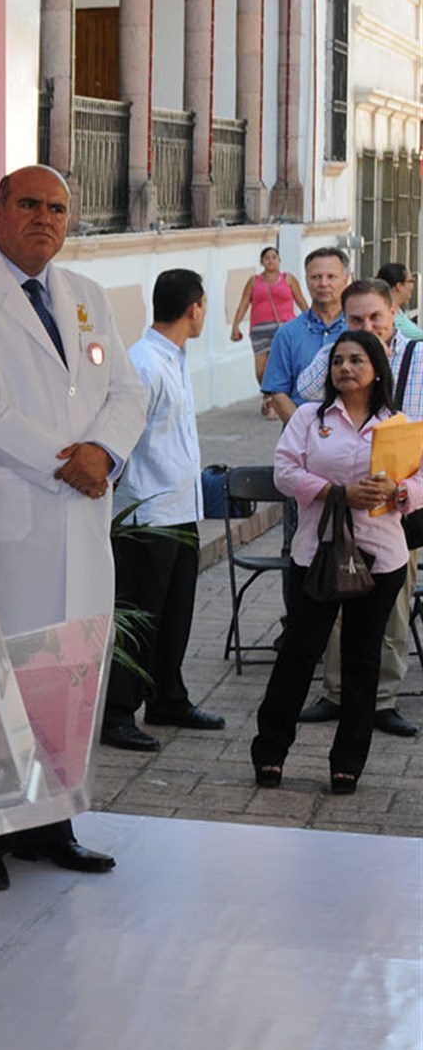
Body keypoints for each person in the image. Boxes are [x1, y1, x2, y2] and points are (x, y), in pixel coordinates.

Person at [0, 164, 145, 893]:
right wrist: (70, 461)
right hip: (11, 526)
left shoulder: (85, 297)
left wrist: (106, 452)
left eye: (58, 207)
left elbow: (128, 389)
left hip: (79, 521)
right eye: (29, 204)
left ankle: (52, 824)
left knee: (66, 680)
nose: (45, 218)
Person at [254, 329, 423, 796]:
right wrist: (336, 493)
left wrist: (401, 492)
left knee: (362, 659)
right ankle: (270, 751)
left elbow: (420, 477)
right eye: (338, 362)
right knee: (298, 654)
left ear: (375, 369)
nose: (345, 368)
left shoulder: (397, 424)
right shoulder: (310, 418)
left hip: (381, 557)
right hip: (317, 552)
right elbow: (285, 472)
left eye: (356, 361)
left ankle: (348, 761)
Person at [285, 279, 421, 739]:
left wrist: (403, 490)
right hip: (332, 521)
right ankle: (337, 692)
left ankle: (382, 699)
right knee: (336, 604)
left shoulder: (419, 355)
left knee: (391, 611)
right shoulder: (338, 359)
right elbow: (304, 393)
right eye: (356, 319)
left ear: (393, 312)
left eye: (374, 318)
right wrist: (340, 354)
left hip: (398, 511)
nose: (367, 326)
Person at [102, 269, 226, 751]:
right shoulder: (145, 364)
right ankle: (117, 712)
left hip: (181, 511)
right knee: (140, 617)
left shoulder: (173, 356)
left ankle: (167, 696)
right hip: (147, 515)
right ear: (194, 308)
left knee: (175, 613)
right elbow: (122, 438)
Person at [260, 247, 348, 423]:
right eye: (316, 277)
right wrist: (305, 431)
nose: (323, 283)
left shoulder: (358, 330)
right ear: (306, 281)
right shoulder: (288, 333)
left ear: (346, 280)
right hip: (300, 439)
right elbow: (278, 392)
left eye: (331, 277)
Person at [229, 245, 307, 403]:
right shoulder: (254, 281)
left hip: (285, 328)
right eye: (267, 258)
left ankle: (278, 400)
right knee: (261, 370)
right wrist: (235, 326)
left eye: (274, 257)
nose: (271, 261)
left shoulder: (289, 279)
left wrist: (311, 320)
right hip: (260, 329)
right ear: (262, 262)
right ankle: (268, 394)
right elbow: (244, 303)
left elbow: (301, 301)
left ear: (279, 261)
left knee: (285, 364)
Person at [376, 262, 423, 342]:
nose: (413, 286)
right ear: (399, 286)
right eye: (411, 281)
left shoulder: (397, 311)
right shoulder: (391, 315)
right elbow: (418, 335)